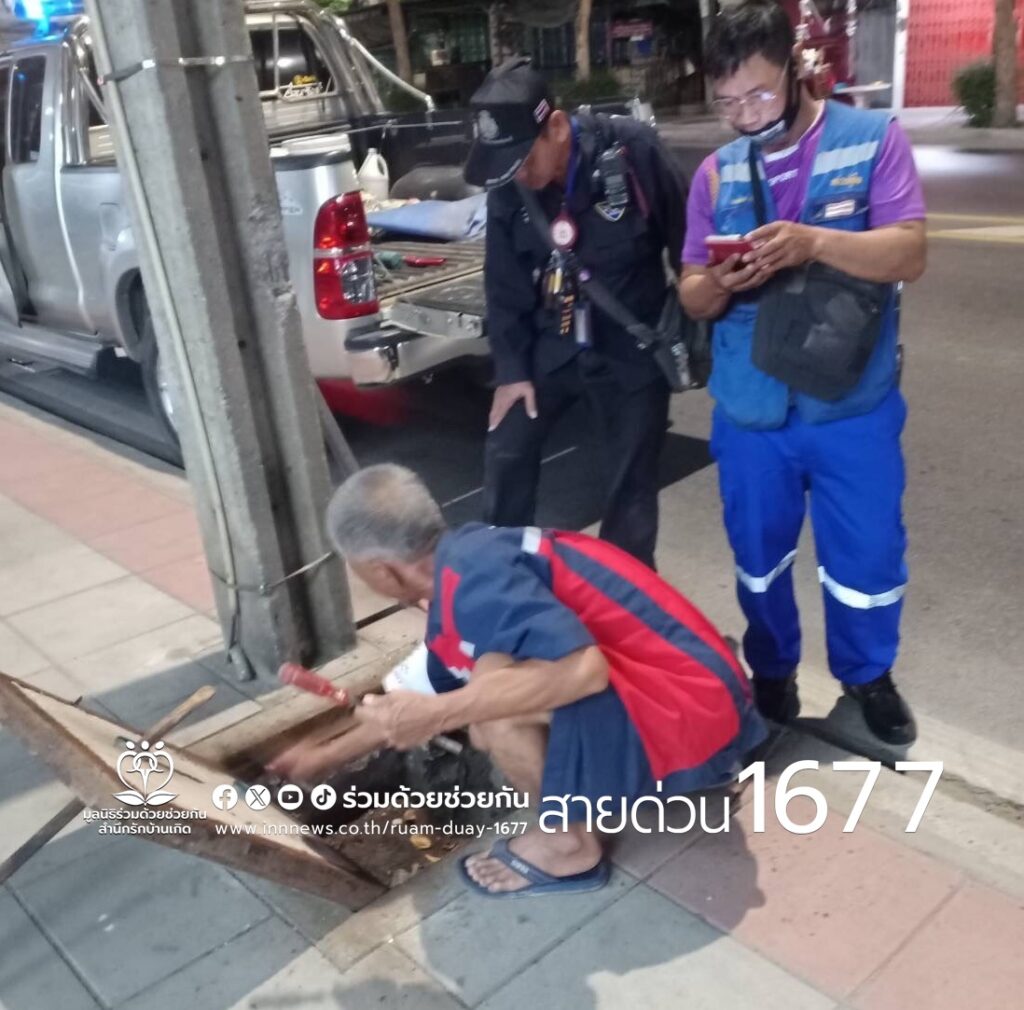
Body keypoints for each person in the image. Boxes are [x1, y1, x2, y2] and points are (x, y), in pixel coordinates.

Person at [271, 465, 766, 898]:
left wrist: (443, 713)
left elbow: (584, 670)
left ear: (382, 571)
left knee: (495, 715)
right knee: (486, 689)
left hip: (698, 711)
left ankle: (569, 846)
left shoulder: (476, 579)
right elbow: (416, 697)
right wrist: (324, 757)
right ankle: (605, 799)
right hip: (699, 696)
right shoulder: (467, 568)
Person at [679, 0, 927, 745]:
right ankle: (772, 669)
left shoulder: (872, 139)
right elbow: (691, 294)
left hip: (852, 404)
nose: (745, 114)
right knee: (758, 558)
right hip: (753, 412)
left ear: (793, 70)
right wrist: (722, 282)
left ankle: (868, 676)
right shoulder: (715, 175)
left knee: (867, 555)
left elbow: (908, 252)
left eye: (757, 93)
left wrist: (814, 243)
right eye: (727, 102)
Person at [463, 57, 688, 569]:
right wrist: (512, 372)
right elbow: (504, 284)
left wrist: (698, 320)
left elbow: (688, 246)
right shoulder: (510, 183)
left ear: (558, 128)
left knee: (630, 496)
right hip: (555, 341)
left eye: (524, 158)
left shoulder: (635, 152)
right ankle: (504, 577)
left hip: (632, 345)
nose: (518, 174)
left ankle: (624, 595)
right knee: (507, 448)